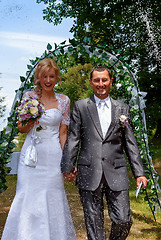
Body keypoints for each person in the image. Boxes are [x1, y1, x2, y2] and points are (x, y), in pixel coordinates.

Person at [61, 66, 148, 240]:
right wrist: (68, 166)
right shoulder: (80, 106)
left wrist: (139, 173)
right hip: (89, 170)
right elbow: (73, 138)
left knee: (124, 219)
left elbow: (130, 143)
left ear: (111, 81)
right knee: (94, 223)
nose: (101, 84)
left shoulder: (122, 109)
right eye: (96, 80)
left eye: (104, 80)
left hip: (116, 171)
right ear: (91, 82)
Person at [2, 58, 76, 240]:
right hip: (31, 156)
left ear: (57, 77)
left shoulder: (64, 101)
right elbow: (21, 128)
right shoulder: (29, 97)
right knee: (27, 195)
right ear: (39, 78)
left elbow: (63, 133)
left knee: (53, 197)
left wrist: (67, 160)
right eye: (44, 76)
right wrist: (31, 119)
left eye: (51, 76)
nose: (48, 80)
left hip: (52, 157)